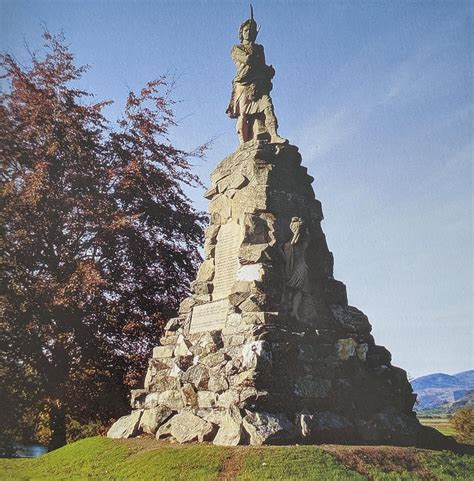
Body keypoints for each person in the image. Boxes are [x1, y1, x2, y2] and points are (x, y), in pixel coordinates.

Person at [226, 18, 287, 144]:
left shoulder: (259, 49)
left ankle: (274, 135)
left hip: (258, 85)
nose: (249, 32)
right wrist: (254, 50)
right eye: (246, 30)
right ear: (241, 33)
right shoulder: (236, 49)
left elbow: (262, 66)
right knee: (243, 115)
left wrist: (269, 71)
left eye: (252, 30)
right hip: (243, 85)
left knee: (268, 106)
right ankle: (243, 143)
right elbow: (248, 60)